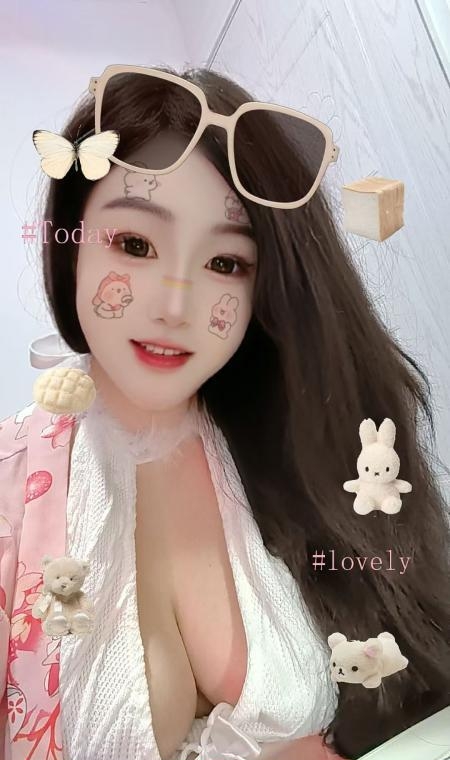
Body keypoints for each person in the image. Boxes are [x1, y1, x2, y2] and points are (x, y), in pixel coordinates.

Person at [1, 63, 449, 760]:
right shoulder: (12, 489)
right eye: (135, 245)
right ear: (72, 243)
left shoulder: (295, 442)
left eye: (226, 263)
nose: (174, 306)